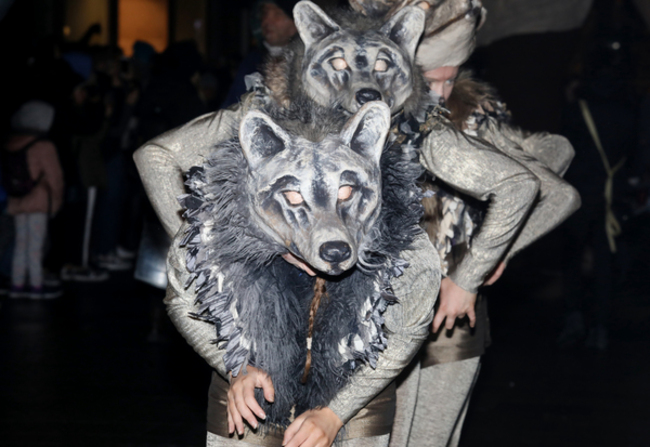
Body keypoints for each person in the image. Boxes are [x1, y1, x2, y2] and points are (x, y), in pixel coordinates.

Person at [356, 1, 579, 446]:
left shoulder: (469, 114)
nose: (442, 92)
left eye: (452, 77)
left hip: (448, 312)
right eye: (431, 79)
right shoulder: (360, 116)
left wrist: (482, 260)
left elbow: (556, 173)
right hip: (375, 308)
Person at [3, 101, 64, 299]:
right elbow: (55, 177)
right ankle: (37, 286)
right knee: (35, 247)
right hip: (38, 203)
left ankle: (17, 284)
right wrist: (56, 202)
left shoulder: (11, 142)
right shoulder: (44, 146)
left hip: (17, 201)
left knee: (20, 244)